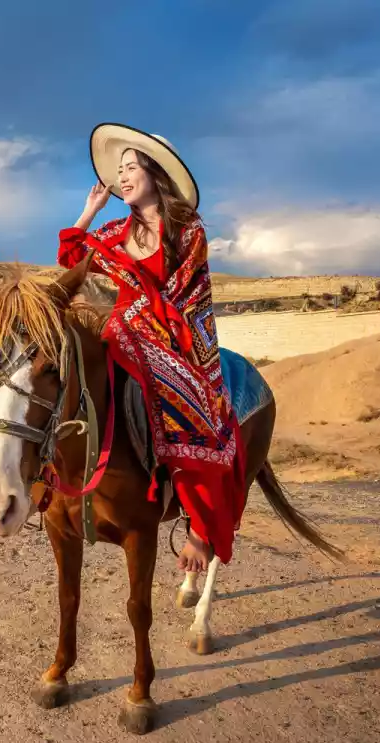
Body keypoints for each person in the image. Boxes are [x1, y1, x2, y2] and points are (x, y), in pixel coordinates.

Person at [56, 123, 246, 572]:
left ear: (154, 174)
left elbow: (186, 294)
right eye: (118, 170)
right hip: (124, 330)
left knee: (197, 411)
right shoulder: (112, 231)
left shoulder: (187, 230)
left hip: (176, 334)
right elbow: (70, 258)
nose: (122, 178)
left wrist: (140, 314)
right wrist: (89, 210)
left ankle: (199, 529)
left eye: (131, 168)